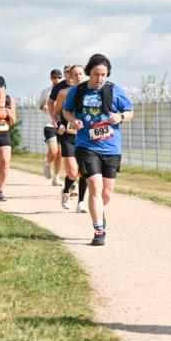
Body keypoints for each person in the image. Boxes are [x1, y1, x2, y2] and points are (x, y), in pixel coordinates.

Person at [62, 54, 134, 246]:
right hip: (86, 145)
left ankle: (99, 210)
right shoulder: (77, 91)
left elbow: (130, 112)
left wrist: (121, 117)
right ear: (88, 73)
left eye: (104, 74)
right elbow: (66, 111)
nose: (100, 78)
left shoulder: (115, 90)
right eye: (96, 74)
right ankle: (99, 229)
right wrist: (73, 120)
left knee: (107, 193)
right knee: (95, 186)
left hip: (111, 147)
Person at [53, 64, 87, 210]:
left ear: (85, 75)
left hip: (86, 137)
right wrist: (59, 123)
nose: (78, 77)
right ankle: (66, 191)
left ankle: (81, 202)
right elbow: (56, 113)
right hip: (69, 136)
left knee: (84, 171)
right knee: (73, 172)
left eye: (81, 74)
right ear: (70, 77)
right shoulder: (63, 93)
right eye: (75, 75)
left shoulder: (92, 93)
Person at [39, 68, 64, 184]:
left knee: (60, 153)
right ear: (51, 78)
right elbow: (40, 104)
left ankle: (56, 177)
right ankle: (47, 163)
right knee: (53, 151)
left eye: (59, 77)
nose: (57, 79)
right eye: (54, 77)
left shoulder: (65, 90)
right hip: (49, 124)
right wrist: (45, 107)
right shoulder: (46, 91)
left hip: (62, 125)